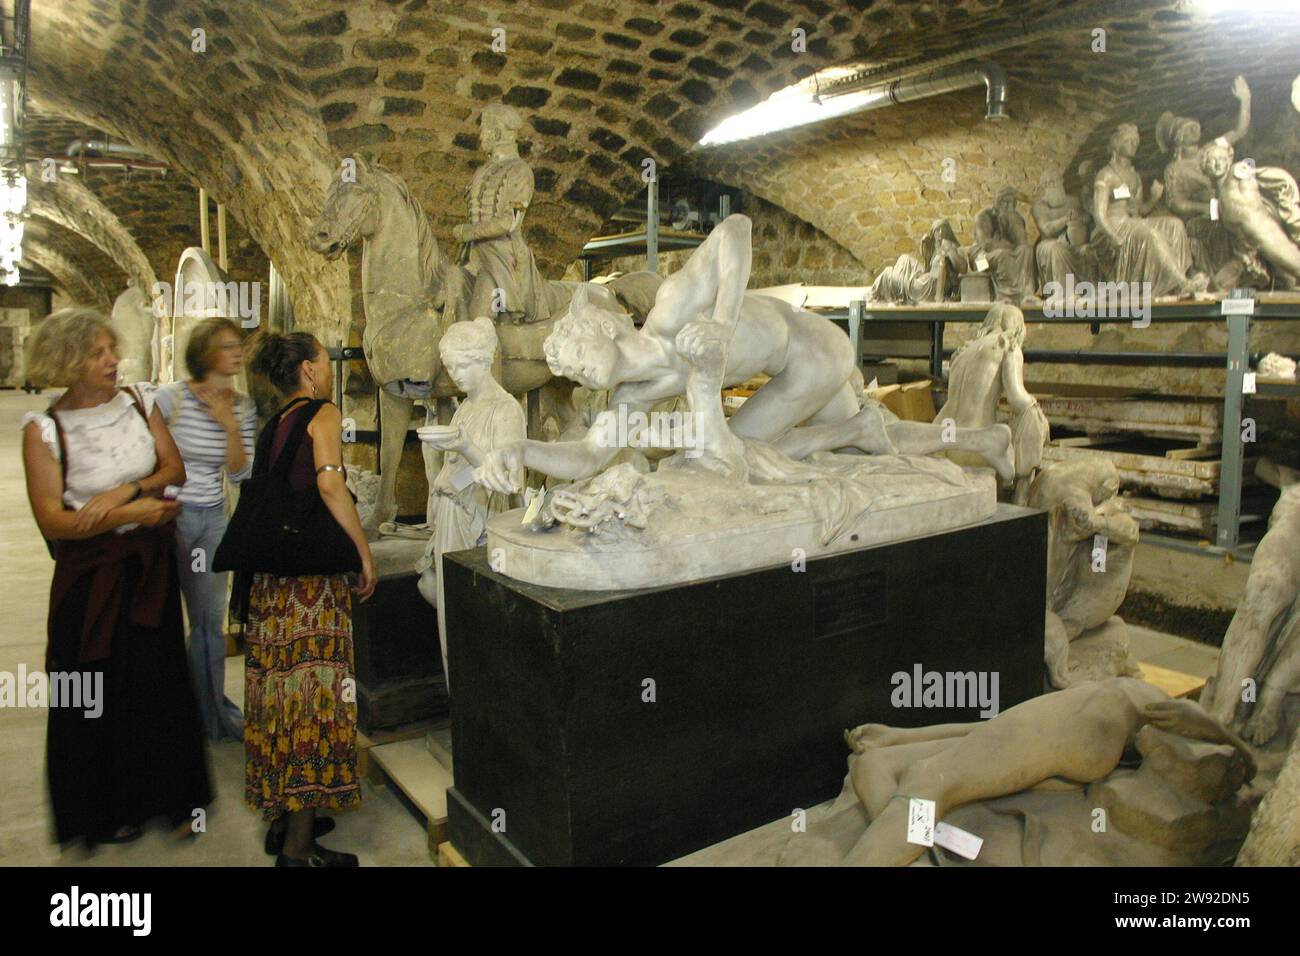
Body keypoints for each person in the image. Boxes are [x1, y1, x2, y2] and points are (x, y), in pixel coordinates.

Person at [20, 307, 212, 846]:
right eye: (97, 353)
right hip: (92, 575)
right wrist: (134, 512)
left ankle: (172, 797)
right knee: (93, 688)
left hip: (147, 566)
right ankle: (104, 808)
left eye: (112, 349)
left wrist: (123, 493)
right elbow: (56, 520)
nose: (112, 360)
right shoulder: (45, 430)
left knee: (158, 681)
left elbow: (173, 470)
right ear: (67, 362)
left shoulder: (137, 402)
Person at [241, 331, 376, 867]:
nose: (325, 367)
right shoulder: (321, 412)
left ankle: (284, 819)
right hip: (309, 592)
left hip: (272, 590)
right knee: (311, 705)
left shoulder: (274, 422)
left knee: (278, 701)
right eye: (322, 358)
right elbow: (328, 485)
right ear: (309, 370)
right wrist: (362, 551)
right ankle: (298, 850)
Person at [155, 317, 256, 742]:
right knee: (162, 621)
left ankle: (212, 714)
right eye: (226, 346)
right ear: (204, 354)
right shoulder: (171, 399)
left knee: (208, 621)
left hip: (212, 518)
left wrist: (229, 424)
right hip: (170, 516)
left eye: (239, 345)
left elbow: (240, 473)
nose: (236, 352)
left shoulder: (243, 406)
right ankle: (181, 714)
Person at [415, 317, 526, 688]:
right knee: (447, 615)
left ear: (483, 360)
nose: (456, 375)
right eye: (450, 367)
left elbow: (510, 480)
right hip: (452, 516)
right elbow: (459, 470)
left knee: (469, 620)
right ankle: (458, 706)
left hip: (481, 524)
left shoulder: (506, 410)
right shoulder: (465, 408)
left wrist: (464, 446)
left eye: (463, 365)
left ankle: (476, 707)